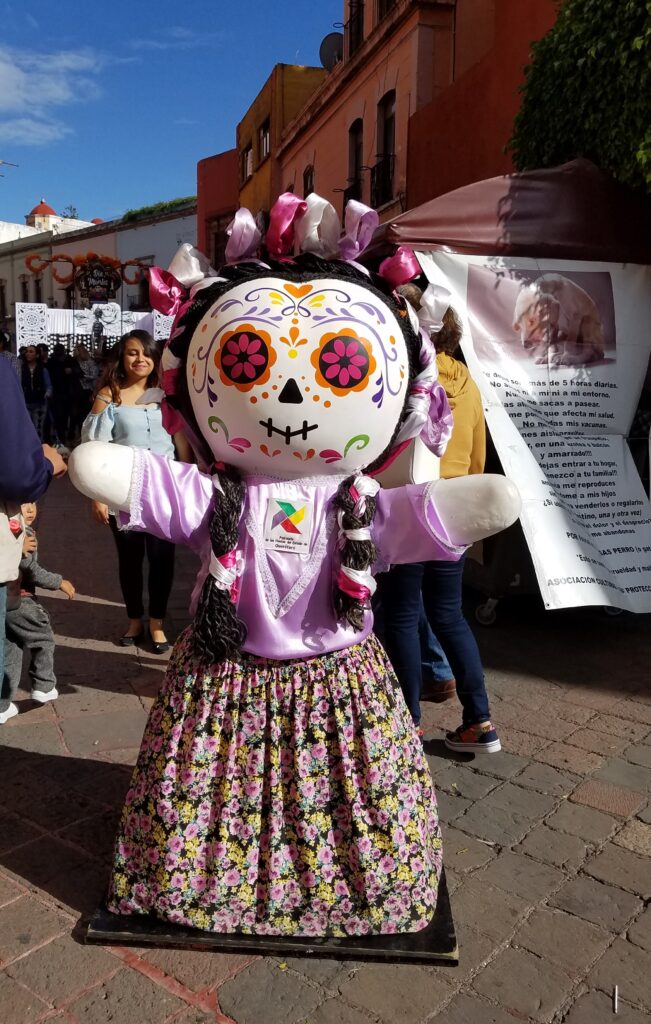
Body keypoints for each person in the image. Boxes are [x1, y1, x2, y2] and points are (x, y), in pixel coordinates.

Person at [69, 198, 519, 937]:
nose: (286, 395)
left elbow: (420, 518)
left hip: (330, 673)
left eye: (339, 366)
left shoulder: (360, 500)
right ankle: (216, 882)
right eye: (248, 358)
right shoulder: (219, 496)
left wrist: (468, 502)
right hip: (227, 666)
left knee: (344, 799)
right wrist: (110, 468)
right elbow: (129, 477)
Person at [376, 300, 499, 752]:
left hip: (411, 505)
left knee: (403, 615)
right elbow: (478, 449)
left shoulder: (407, 379)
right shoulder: (467, 382)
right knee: (449, 615)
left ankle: (408, 723)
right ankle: (480, 721)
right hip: (455, 508)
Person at [81, 330, 187, 653]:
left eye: (146, 353)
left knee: (161, 559)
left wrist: (188, 484)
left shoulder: (166, 396)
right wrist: (96, 496)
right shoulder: (108, 397)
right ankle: (134, 620)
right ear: (121, 358)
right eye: (131, 353)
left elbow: (181, 446)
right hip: (122, 491)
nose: (139, 359)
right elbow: (93, 448)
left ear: (155, 357)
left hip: (163, 490)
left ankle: (156, 622)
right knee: (129, 559)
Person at [0, 358, 67, 725]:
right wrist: (47, 464)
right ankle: (41, 684)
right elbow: (17, 473)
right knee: (36, 637)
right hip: (17, 593)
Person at [1, 503, 75, 719]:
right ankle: (43, 685)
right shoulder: (21, 530)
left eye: (33, 503)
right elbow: (31, 571)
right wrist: (59, 582)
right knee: (43, 638)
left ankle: (2, 705)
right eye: (23, 505)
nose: (30, 509)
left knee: (11, 651)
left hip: (6, 601)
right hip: (21, 600)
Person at [20, 344, 53, 440]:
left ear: (37, 355)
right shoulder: (21, 369)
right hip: (25, 403)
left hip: (40, 403)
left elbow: (49, 386)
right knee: (26, 428)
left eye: (31, 352)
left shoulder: (43, 370)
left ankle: (38, 450)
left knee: (38, 429)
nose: (28, 354)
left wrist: (47, 394)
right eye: (27, 351)